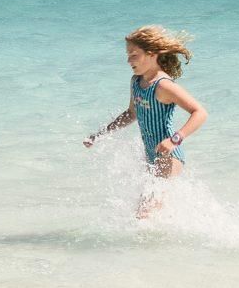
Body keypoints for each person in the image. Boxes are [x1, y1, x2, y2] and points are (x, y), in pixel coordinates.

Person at [85, 26, 207, 203]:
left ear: (152, 54)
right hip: (150, 154)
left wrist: (175, 139)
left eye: (134, 55)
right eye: (128, 55)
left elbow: (200, 112)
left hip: (169, 155)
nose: (128, 60)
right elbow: (131, 113)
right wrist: (100, 135)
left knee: (147, 211)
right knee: (146, 208)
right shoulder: (136, 82)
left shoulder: (164, 85)